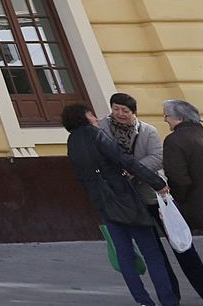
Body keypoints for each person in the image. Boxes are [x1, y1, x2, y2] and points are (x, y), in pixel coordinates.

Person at [66, 102, 178, 306]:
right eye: (92, 114)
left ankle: (143, 300)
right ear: (85, 117)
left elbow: (81, 176)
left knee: (124, 255)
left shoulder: (72, 141)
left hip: (102, 203)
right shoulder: (95, 134)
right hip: (123, 199)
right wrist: (157, 182)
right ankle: (168, 300)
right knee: (151, 253)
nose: (96, 118)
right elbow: (125, 160)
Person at [108, 94, 203, 304]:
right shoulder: (103, 130)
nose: (120, 114)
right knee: (154, 252)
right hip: (128, 201)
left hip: (156, 197)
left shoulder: (148, 131)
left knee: (183, 247)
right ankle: (171, 296)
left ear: (133, 113)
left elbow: (158, 157)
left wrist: (135, 171)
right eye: (116, 109)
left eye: (125, 110)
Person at [165, 101, 203, 246]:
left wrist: (179, 200)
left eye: (167, 116)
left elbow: (178, 178)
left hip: (202, 205)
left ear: (180, 118)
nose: (165, 120)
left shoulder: (174, 140)